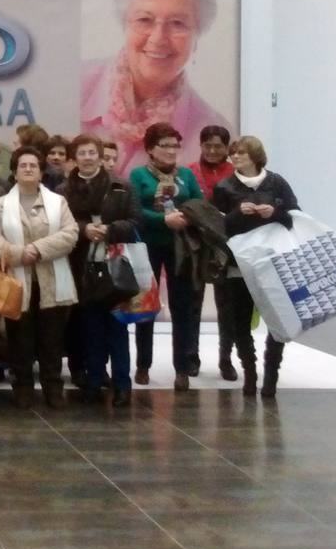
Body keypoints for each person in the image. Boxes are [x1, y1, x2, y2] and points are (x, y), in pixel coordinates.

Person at [81, 0, 232, 176]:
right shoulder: (71, 87)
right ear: (124, 22)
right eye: (144, 19)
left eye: (177, 23)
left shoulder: (212, 133)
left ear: (198, 33)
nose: (158, 38)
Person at [0, 146, 78, 409]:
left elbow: (70, 234)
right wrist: (17, 254)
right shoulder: (2, 205)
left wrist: (37, 250)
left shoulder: (58, 203)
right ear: (14, 172)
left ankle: (52, 388)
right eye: (22, 165)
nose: (27, 169)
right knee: (19, 339)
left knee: (52, 340)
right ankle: (22, 386)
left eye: (33, 165)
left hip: (52, 282)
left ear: (41, 172)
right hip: (16, 282)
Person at [213, 135, 299, 398]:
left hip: (272, 262)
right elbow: (216, 225)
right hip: (239, 264)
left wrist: (274, 213)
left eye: (241, 153)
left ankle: (271, 374)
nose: (235, 157)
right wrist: (238, 214)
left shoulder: (276, 182)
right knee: (239, 321)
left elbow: (295, 216)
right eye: (233, 153)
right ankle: (249, 372)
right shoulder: (225, 186)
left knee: (276, 318)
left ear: (255, 156)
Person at [61, 134, 141, 407]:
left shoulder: (121, 186)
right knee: (89, 329)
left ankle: (122, 385)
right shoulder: (62, 190)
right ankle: (93, 383)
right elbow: (60, 225)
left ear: (100, 155)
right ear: (74, 158)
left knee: (117, 328)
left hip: (115, 266)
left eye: (91, 152)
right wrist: (84, 230)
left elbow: (134, 223)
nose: (87, 158)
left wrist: (109, 230)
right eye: (81, 153)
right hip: (80, 266)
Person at [128, 122, 204, 391]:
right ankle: (143, 364)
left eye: (175, 145)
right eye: (165, 145)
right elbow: (135, 211)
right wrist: (163, 220)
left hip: (181, 247)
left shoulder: (187, 175)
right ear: (150, 149)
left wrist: (186, 217)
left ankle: (182, 368)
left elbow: (198, 204)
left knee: (182, 306)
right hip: (148, 245)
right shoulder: (138, 176)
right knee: (147, 306)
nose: (172, 151)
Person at [188, 124, 237, 381]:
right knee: (193, 304)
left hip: (225, 247)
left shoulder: (235, 173)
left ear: (227, 148)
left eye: (218, 146)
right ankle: (191, 358)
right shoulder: (189, 172)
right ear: (201, 145)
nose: (213, 150)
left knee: (226, 306)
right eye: (208, 145)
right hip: (195, 245)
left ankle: (225, 359)